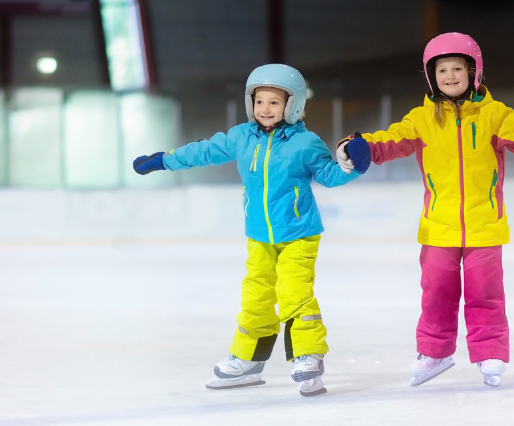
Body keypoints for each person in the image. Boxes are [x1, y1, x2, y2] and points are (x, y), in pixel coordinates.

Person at [339, 32, 514, 388]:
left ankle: (489, 352)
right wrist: (355, 145)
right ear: (431, 76)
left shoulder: (495, 115)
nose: (450, 75)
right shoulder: (421, 120)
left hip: (484, 224)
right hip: (438, 226)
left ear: (473, 72)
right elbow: (387, 141)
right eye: (442, 69)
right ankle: (435, 352)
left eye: (457, 67)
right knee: (436, 291)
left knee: (485, 292)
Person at [133, 64, 371, 397]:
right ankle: (248, 360)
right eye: (259, 101)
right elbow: (203, 151)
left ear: (293, 105)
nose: (265, 109)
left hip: (299, 234)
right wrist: (165, 159)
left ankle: (308, 356)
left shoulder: (305, 142)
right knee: (255, 296)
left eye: (274, 102)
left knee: (294, 293)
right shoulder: (240, 137)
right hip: (259, 235)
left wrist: (352, 164)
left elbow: (330, 175)